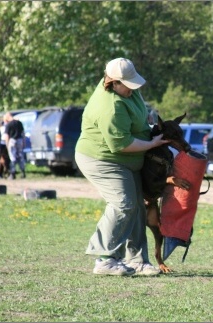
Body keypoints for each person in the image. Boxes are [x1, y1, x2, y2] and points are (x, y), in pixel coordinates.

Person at [75, 57, 169, 276]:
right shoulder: (109, 106)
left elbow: (141, 114)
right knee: (123, 203)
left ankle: (137, 261)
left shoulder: (129, 90)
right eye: (128, 85)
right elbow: (122, 144)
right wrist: (152, 144)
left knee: (137, 206)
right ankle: (105, 259)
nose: (133, 89)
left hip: (127, 162)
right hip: (102, 159)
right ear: (113, 82)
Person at [4, 112, 26, 179]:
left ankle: (13, 174)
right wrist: (24, 142)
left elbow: (7, 136)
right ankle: (23, 172)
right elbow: (23, 133)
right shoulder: (19, 123)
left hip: (12, 141)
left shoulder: (8, 125)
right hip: (19, 140)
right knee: (20, 156)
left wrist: (7, 144)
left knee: (12, 157)